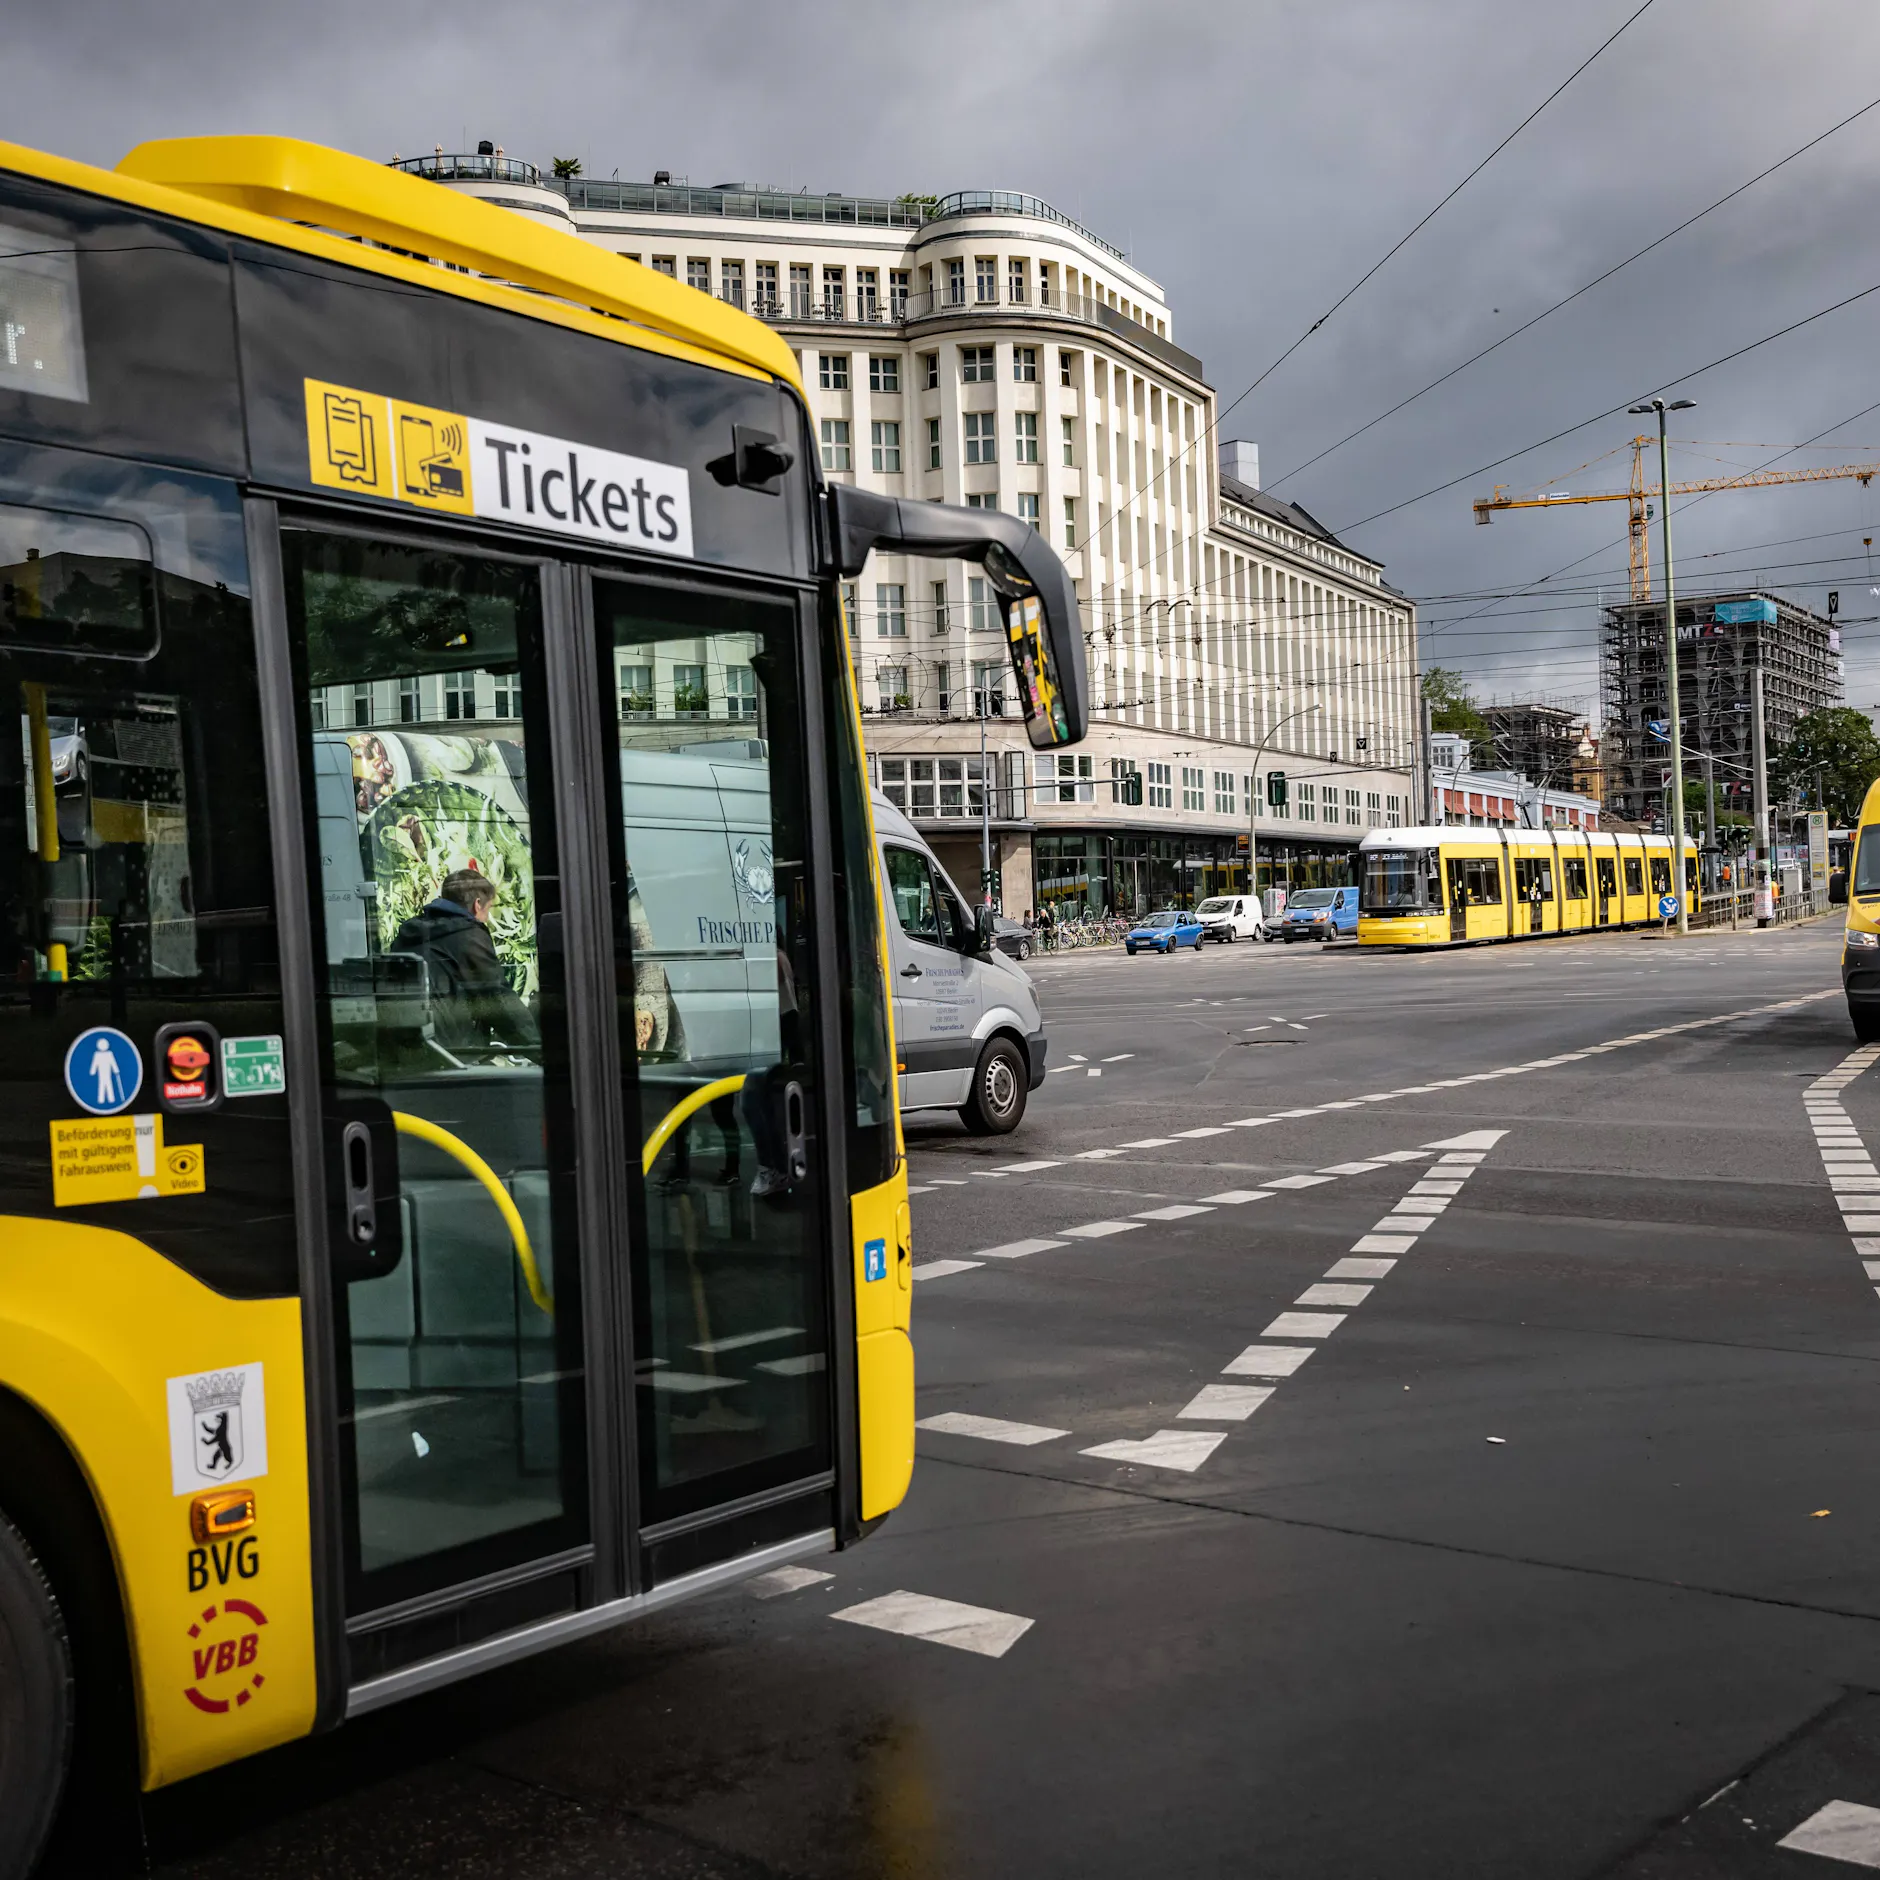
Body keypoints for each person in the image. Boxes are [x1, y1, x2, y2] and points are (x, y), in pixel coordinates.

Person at [393, 867, 539, 1051]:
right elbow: (497, 999)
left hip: (407, 1048)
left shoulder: (410, 932)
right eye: (488, 909)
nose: (486, 918)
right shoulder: (468, 936)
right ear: (478, 904)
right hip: (451, 1053)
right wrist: (536, 1049)